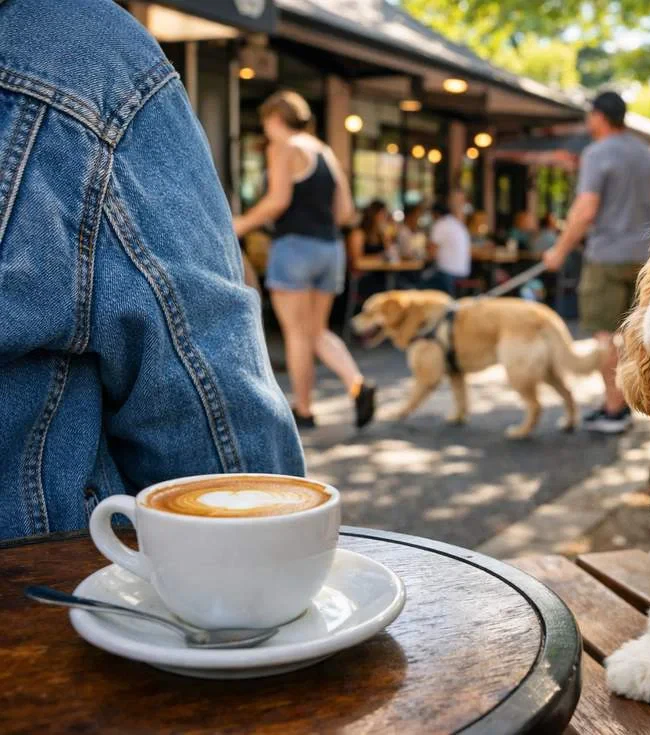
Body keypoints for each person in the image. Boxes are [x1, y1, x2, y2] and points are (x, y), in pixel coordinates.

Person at [0, 0, 305, 541]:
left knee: (304, 333)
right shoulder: (80, 50)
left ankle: (317, 392)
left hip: (292, 251)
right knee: (304, 333)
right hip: (48, 594)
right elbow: (211, 395)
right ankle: (326, 391)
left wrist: (245, 223)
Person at [233, 91, 375, 429]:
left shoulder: (284, 146)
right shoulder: (324, 150)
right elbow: (345, 212)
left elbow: (277, 201)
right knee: (315, 331)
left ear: (274, 119)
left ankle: (305, 409)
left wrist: (237, 224)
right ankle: (357, 384)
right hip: (330, 249)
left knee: (297, 333)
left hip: (294, 248)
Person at [542, 90, 650, 434]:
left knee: (604, 337)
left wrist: (559, 251)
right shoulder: (648, 157)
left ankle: (613, 409)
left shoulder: (597, 154)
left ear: (598, 116)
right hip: (644, 258)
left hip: (606, 257)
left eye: (589, 114)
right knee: (633, 336)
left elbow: (585, 209)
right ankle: (623, 402)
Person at [424, 199, 472, 296]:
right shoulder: (458, 224)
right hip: (464, 273)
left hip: (447, 274)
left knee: (420, 282)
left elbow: (431, 254)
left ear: (436, 213)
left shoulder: (440, 225)